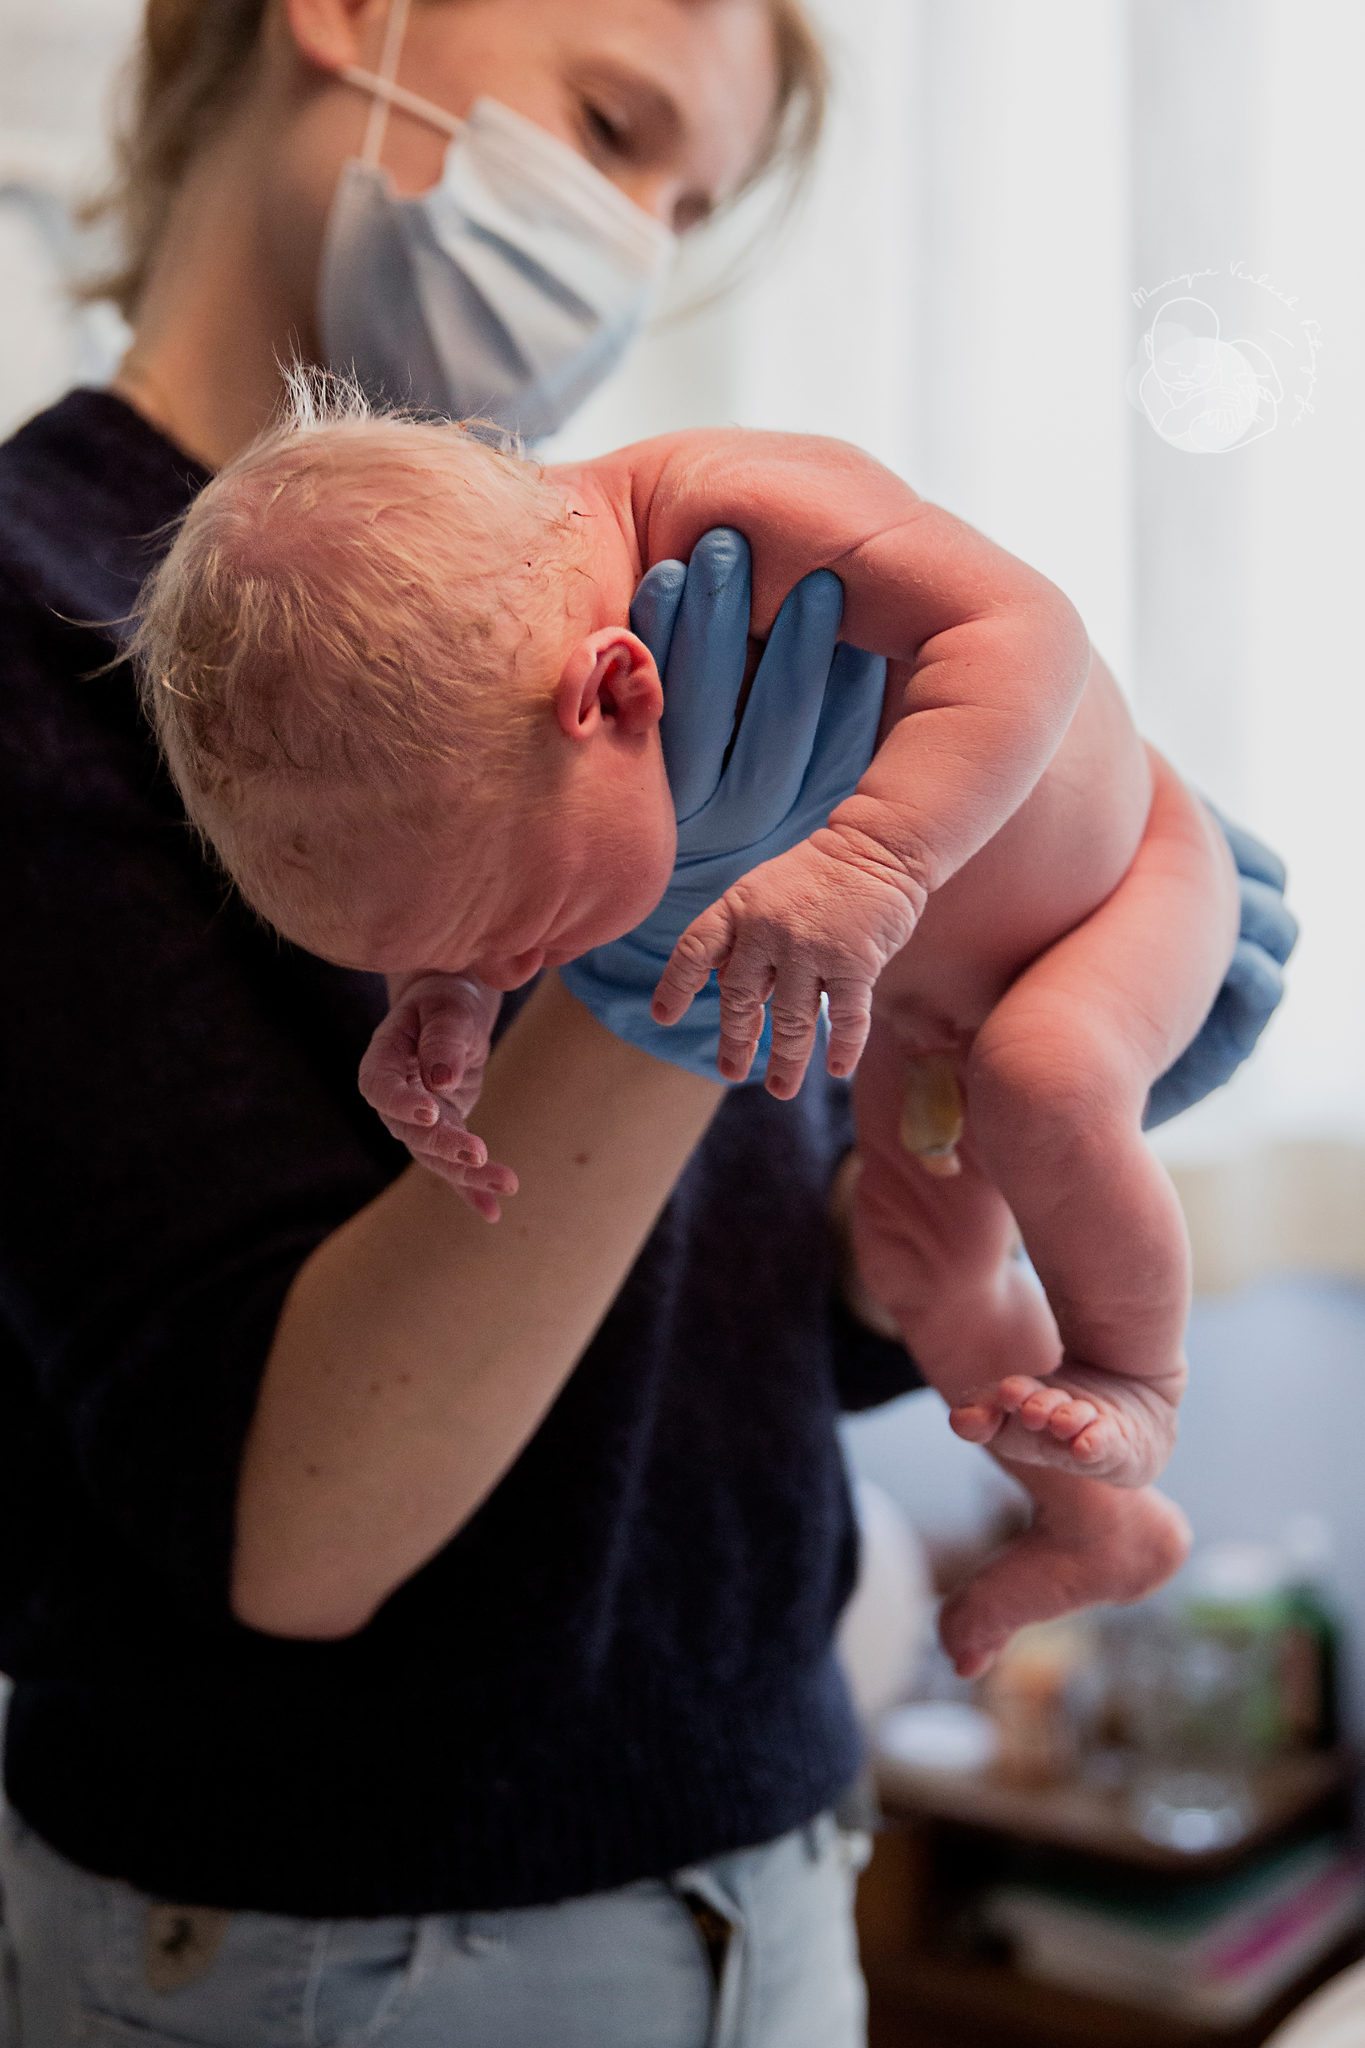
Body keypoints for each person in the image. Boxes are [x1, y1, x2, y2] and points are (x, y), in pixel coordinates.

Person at [0, 0, 1295, 2041]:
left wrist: (994, 1049)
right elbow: (289, 1531)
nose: (627, 241)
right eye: (609, 124)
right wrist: (598, 991)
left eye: (679, 201)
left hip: (768, 1863)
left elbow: (742, 1331)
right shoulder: (53, 623)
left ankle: (1093, 1478)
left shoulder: (655, 597)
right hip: (324, 1941)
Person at [136, 394, 1234, 1681]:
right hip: (915, 996)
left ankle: (1141, 1382)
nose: (511, 969)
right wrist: (441, 1000)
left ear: (614, 690)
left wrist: (875, 858)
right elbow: (480, 877)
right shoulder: (489, 717)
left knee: (1041, 1081)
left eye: (511, 930)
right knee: (919, 1259)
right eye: (443, 951)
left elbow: (1028, 629)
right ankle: (1102, 1525)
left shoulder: (745, 511)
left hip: (1125, 882)